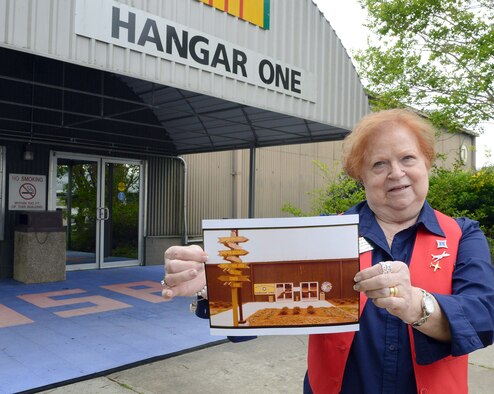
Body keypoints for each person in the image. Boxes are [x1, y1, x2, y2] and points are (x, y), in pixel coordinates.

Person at [161, 108, 494, 393]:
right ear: (360, 176)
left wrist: (417, 306)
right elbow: (263, 301)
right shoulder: (323, 234)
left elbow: (483, 316)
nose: (396, 173)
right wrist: (211, 284)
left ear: (427, 164)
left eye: (408, 158)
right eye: (379, 164)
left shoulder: (462, 234)